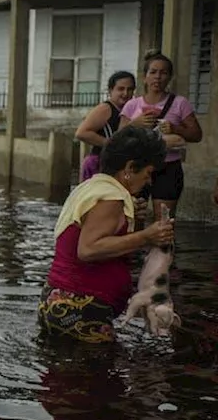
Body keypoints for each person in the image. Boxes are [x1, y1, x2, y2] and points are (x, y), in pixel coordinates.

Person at [38, 126, 175, 345]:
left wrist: (134, 222)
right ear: (130, 168)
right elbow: (89, 249)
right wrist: (147, 237)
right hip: (81, 307)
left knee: (67, 375)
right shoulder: (111, 197)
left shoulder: (92, 187)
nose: (149, 181)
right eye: (148, 173)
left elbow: (106, 240)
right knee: (97, 377)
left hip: (60, 303)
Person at [119, 52, 203, 220]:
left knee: (164, 222)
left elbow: (196, 134)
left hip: (168, 168)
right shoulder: (132, 105)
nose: (158, 77)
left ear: (169, 77)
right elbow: (119, 138)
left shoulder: (180, 103)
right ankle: (136, 247)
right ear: (145, 77)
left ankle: (163, 247)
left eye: (163, 73)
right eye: (153, 72)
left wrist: (175, 128)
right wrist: (135, 123)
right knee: (133, 219)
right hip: (138, 168)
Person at [75, 71, 134, 182]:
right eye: (120, 89)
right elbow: (81, 133)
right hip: (98, 163)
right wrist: (110, 143)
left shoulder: (128, 110)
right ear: (111, 91)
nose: (125, 93)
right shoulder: (106, 108)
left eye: (130, 89)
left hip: (115, 165)